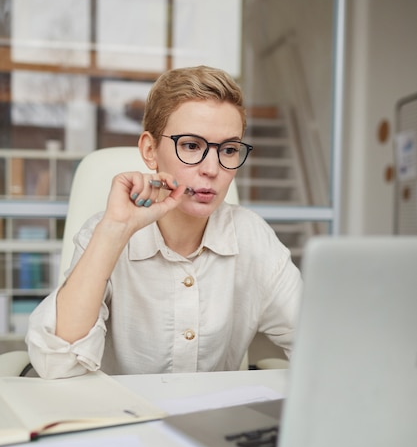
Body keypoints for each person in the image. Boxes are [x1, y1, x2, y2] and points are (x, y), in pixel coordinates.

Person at [26, 65, 302, 379]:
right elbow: (56, 364)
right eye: (191, 146)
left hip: (212, 423)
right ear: (149, 150)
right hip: (120, 419)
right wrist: (115, 230)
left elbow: (318, 343)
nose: (212, 168)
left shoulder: (253, 237)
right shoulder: (104, 232)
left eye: (228, 149)